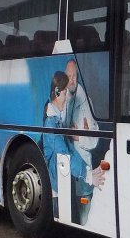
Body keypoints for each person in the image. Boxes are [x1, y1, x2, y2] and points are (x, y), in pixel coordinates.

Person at [41, 70, 105, 219]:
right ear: (57, 92)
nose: (66, 98)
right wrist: (88, 176)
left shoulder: (57, 119)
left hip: (60, 183)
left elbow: (69, 148)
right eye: (64, 94)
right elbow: (65, 155)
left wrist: (88, 171)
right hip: (55, 188)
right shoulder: (51, 122)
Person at [63, 59, 103, 224]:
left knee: (84, 219)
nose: (72, 80)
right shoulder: (61, 100)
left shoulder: (86, 102)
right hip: (65, 169)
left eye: (74, 76)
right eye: (68, 76)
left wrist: (78, 136)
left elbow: (94, 140)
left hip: (82, 171)